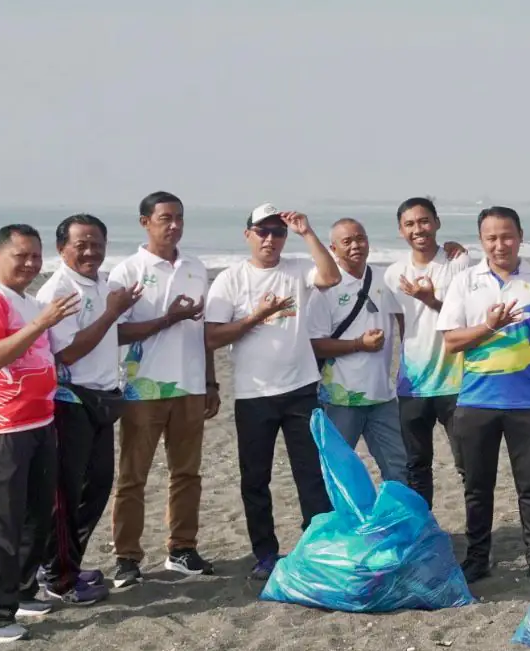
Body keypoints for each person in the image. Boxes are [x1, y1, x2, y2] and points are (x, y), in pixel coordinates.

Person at [205, 204, 338, 580]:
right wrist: (256, 317)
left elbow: (330, 276)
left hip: (300, 389)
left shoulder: (297, 269)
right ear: (247, 234)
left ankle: (317, 546)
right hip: (253, 394)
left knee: (311, 475)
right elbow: (212, 337)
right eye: (262, 231)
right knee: (255, 478)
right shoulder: (231, 279)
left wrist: (307, 233)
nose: (270, 239)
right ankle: (265, 552)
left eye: (277, 232)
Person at [439, 207, 530, 586]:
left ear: (520, 236)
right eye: (491, 238)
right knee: (477, 487)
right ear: (481, 242)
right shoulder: (465, 282)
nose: (500, 244)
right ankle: (478, 557)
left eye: (507, 236)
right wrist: (488, 326)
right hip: (476, 403)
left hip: (528, 405)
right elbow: (450, 341)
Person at [0, 225, 73, 643]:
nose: (29, 264)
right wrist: (42, 322)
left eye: (35, 257)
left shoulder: (25, 302)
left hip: (39, 421)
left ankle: (22, 591)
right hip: (0, 426)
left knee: (35, 516)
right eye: (20, 256)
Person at [107, 191, 215, 589]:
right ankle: (127, 559)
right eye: (165, 218)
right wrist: (168, 319)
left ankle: (182, 550)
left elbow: (203, 330)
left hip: (188, 386)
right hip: (142, 389)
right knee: (132, 477)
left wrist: (210, 380)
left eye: (180, 218)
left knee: (187, 474)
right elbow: (114, 332)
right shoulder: (126, 272)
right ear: (144, 222)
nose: (174, 225)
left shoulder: (196, 267)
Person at [33, 214, 140, 606]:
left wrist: (168, 318)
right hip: (69, 401)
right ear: (62, 248)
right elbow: (69, 350)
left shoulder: (105, 284)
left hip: (103, 399)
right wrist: (112, 311)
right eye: (81, 244)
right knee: (66, 494)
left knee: (96, 488)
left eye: (97, 243)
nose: (91, 251)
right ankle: (58, 578)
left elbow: (116, 333)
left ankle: (66, 565)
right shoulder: (58, 290)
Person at [383, 197, 470, 508]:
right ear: (400, 230)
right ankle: (423, 532)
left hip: (456, 383)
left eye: (423, 221)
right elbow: (404, 328)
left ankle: (477, 536)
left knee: (468, 465)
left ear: (436, 222)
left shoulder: (457, 263)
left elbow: (463, 319)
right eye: (410, 224)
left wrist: (430, 300)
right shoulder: (393, 274)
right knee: (416, 466)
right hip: (414, 385)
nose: (418, 229)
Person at [308, 218, 407, 484]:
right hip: (340, 399)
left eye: (360, 238)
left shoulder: (383, 279)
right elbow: (315, 345)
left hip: (382, 396)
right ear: (333, 248)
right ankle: (345, 524)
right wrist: (358, 344)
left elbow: (405, 316)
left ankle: (396, 522)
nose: (355, 246)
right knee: (338, 472)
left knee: (398, 468)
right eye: (347, 241)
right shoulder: (324, 289)